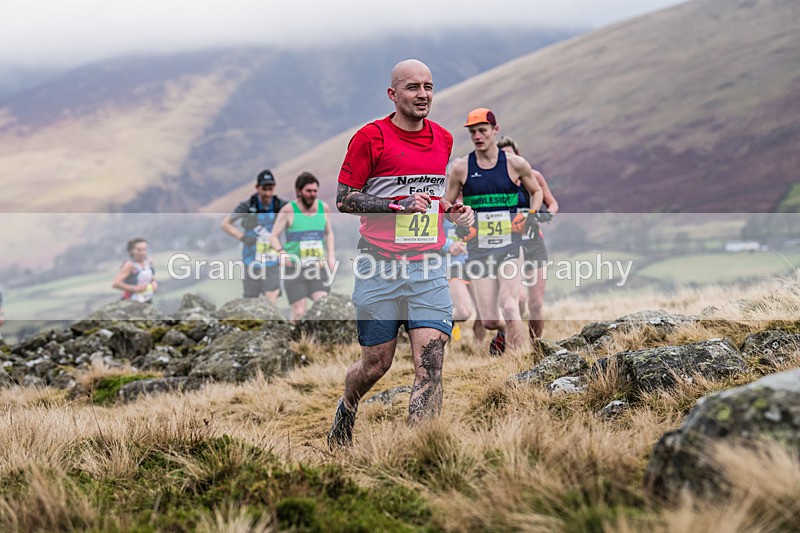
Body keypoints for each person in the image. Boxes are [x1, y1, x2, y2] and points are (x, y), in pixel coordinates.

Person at [328, 59, 474, 448]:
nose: (422, 94)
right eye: (412, 87)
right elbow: (344, 199)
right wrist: (395, 206)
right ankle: (347, 406)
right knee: (376, 364)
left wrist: (452, 210)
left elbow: (430, 197)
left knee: (431, 364)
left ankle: (416, 453)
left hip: (427, 266)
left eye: (428, 86)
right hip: (379, 266)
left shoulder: (443, 139)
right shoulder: (370, 137)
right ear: (393, 95)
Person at [445, 108, 542, 354]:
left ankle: (519, 363)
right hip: (479, 250)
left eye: (482, 131)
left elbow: (537, 191)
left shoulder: (515, 164)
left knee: (510, 307)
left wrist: (530, 216)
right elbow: (447, 205)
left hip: (510, 246)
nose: (477, 136)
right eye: (472, 132)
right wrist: (459, 216)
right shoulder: (461, 168)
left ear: (495, 131)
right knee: (489, 320)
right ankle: (515, 337)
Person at [498, 135, 559, 340]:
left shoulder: (533, 176)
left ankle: (537, 346)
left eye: (511, 156)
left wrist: (544, 215)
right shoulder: (496, 182)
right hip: (508, 245)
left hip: (533, 242)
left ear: (519, 156)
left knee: (536, 303)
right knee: (517, 300)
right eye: (503, 157)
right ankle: (509, 336)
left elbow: (552, 203)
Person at [269, 172, 335, 321]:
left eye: (315, 191)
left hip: (317, 267)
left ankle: (320, 343)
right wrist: (282, 253)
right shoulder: (288, 210)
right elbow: (273, 236)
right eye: (308, 191)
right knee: (299, 312)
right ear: (299, 191)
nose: (312, 195)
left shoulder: (323, 208)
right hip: (294, 269)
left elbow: (329, 233)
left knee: (323, 305)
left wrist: (330, 255)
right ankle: (296, 343)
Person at [221, 169, 288, 303]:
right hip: (251, 260)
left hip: (272, 260)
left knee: (271, 300)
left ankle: (271, 322)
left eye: (270, 188)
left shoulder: (281, 205)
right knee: (251, 302)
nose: (268, 193)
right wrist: (243, 237)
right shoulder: (247, 206)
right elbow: (225, 224)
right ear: (257, 187)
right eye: (264, 188)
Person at [112, 238, 158, 302]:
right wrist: (134, 288)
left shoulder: (149, 262)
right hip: (131, 300)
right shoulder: (129, 265)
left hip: (147, 299)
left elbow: (151, 277)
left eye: (145, 249)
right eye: (139, 250)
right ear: (132, 251)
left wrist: (154, 283)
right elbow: (115, 283)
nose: (142, 252)